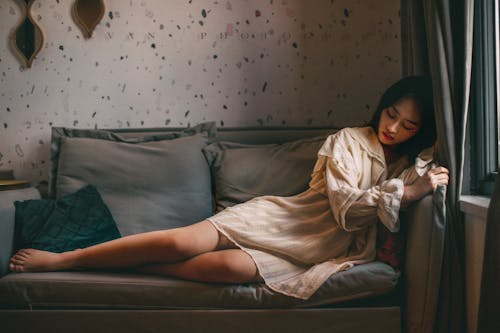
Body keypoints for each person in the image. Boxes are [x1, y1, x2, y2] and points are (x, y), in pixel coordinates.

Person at [8, 76, 449, 300]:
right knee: (182, 240)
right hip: (284, 218)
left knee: (230, 272)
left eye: (408, 124)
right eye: (390, 113)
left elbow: (413, 179)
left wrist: (422, 176)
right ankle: (64, 259)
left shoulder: (411, 165)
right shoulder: (349, 139)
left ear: (420, 130)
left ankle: (130, 267)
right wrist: (409, 194)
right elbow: (348, 211)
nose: (392, 127)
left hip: (318, 248)